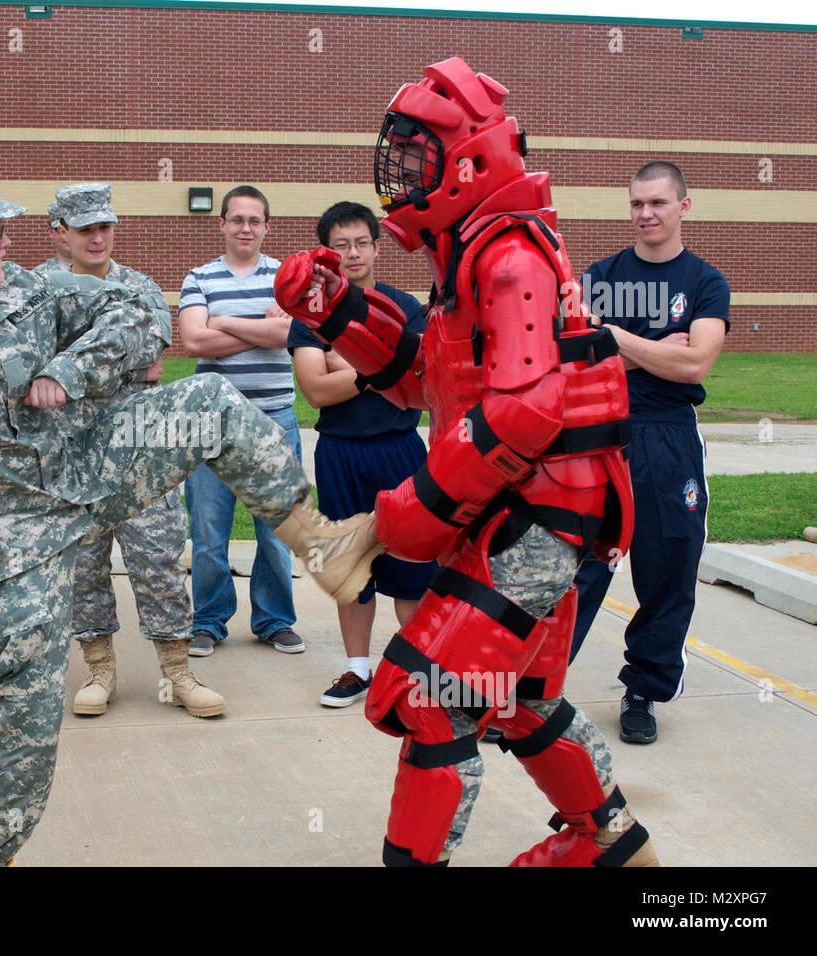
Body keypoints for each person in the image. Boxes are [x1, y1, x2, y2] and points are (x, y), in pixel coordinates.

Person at [0, 164, 383, 865]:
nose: (6, 241)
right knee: (24, 713)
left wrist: (69, 371)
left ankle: (322, 549)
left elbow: (138, 316)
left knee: (209, 406)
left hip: (88, 468)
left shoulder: (26, 289)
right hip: (8, 539)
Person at [275, 57, 657, 866]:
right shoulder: (472, 257)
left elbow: (524, 410)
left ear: (471, 162)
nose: (400, 178)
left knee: (426, 697)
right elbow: (429, 381)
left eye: (417, 159)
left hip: (542, 519)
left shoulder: (509, 258)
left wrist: (407, 513)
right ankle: (610, 843)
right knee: (522, 700)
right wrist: (340, 312)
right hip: (532, 513)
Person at [39, 183, 223, 718]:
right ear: (59, 232)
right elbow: (31, 364)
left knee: (159, 559)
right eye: (85, 229)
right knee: (83, 567)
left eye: (105, 227)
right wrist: (105, 360)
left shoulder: (138, 286)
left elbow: (149, 359)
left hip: (141, 452)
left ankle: (178, 672)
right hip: (72, 459)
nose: (98, 238)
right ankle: (100, 671)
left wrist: (70, 364)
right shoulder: (33, 291)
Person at [568, 161, 729, 745]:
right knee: (577, 567)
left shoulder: (706, 283)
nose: (646, 214)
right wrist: (650, 348)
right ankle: (534, 687)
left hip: (667, 437)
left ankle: (644, 689)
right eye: (637, 204)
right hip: (599, 432)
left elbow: (693, 363)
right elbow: (574, 359)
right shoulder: (601, 277)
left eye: (658, 203)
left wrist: (616, 341)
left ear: (683, 206)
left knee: (668, 567)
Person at [288, 202, 437, 707]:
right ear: (326, 254)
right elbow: (316, 391)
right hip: (340, 454)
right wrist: (381, 366)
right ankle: (357, 670)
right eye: (340, 245)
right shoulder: (309, 315)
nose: (352, 254)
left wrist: (346, 362)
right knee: (352, 572)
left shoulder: (404, 307)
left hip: (401, 451)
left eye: (361, 243)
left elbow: (418, 378)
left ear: (376, 247)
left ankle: (419, 676)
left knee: (414, 573)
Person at [180, 185, 304, 657]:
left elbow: (291, 333)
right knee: (209, 534)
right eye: (237, 219)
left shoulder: (286, 278)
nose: (245, 228)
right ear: (222, 225)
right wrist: (260, 329)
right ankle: (208, 620)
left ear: (267, 226)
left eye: (255, 220)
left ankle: (274, 621)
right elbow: (193, 342)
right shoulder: (200, 277)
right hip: (212, 423)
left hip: (274, 420)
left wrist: (224, 322)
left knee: (276, 533)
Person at [36, 201, 72, 272]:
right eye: (60, 230)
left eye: (73, 229)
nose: (66, 236)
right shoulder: (40, 276)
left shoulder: (98, 272)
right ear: (50, 232)